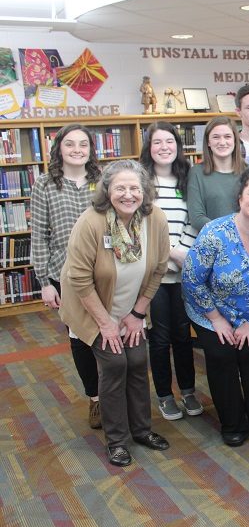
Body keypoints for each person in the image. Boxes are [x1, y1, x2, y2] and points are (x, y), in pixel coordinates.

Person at [59, 160, 171, 467]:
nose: (128, 194)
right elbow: (79, 279)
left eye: (134, 188)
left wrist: (137, 314)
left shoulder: (154, 218)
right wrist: (105, 324)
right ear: (107, 190)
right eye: (120, 187)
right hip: (92, 307)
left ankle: (142, 431)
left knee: (137, 360)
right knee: (114, 364)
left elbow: (159, 268)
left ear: (144, 191)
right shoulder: (91, 222)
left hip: (130, 308)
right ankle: (118, 440)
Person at [182, 167, 249, 447]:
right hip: (208, 307)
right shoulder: (215, 232)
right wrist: (217, 318)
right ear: (240, 198)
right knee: (222, 354)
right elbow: (192, 279)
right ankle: (232, 422)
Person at [32, 124, 103, 429]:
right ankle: (96, 398)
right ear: (59, 148)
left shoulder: (104, 181)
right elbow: (39, 234)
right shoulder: (45, 184)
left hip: (105, 268)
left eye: (83, 144)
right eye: (70, 144)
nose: (77, 150)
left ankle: (118, 393)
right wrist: (44, 282)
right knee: (80, 336)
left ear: (91, 149)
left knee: (110, 330)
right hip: (64, 271)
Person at [139, 122, 202, 421]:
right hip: (155, 273)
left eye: (169, 141)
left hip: (184, 269)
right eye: (157, 142)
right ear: (149, 148)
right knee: (160, 338)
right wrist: (171, 253)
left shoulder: (188, 179)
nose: (164, 147)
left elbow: (194, 219)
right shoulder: (141, 182)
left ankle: (188, 391)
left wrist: (184, 253)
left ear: (178, 145)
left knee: (182, 335)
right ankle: (165, 395)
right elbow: (140, 228)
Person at [187, 116, 245, 231]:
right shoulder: (196, 173)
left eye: (227, 137)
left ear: (235, 140)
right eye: (216, 137)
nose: (222, 142)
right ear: (208, 142)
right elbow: (197, 218)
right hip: (212, 243)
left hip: (248, 241)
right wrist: (228, 235)